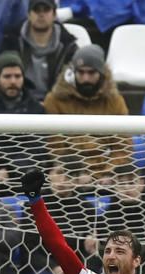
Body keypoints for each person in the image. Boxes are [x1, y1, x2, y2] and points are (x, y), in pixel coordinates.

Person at [43, 45, 130, 181]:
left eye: (91, 73)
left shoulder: (115, 101)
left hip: (107, 178)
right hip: (68, 175)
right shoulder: (55, 100)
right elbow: (55, 146)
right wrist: (76, 172)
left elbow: (122, 146)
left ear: (102, 74)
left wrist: (107, 173)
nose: (86, 79)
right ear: (73, 73)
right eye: (81, 73)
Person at [0, 0, 78, 102]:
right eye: (36, 10)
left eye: (46, 10)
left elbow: (72, 84)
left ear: (54, 15)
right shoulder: (11, 41)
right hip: (17, 105)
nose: (41, 14)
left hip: (55, 106)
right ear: (28, 14)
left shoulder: (68, 47)